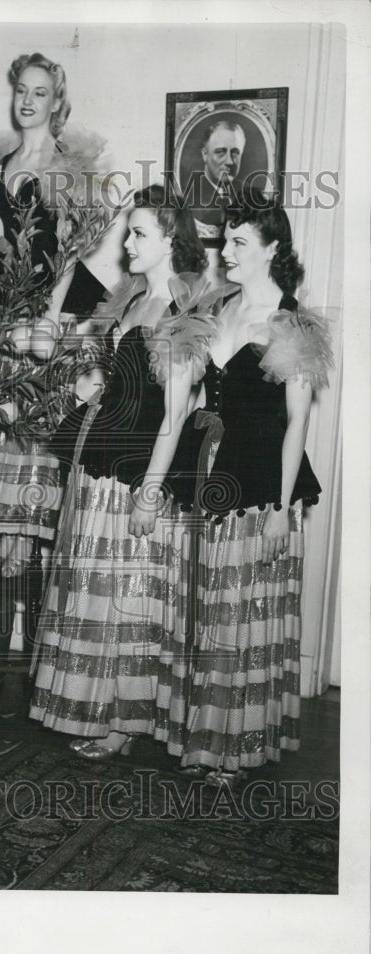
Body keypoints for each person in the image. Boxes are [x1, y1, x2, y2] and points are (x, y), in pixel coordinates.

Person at [29, 186, 211, 759]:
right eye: (129, 231)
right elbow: (114, 375)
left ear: (169, 243)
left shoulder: (184, 313)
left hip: (137, 471)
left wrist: (152, 490)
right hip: (98, 459)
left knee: (126, 597)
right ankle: (95, 709)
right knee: (94, 590)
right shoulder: (130, 300)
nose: (128, 242)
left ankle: (124, 722)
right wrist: (90, 384)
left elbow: (179, 411)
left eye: (139, 234)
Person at [176, 198, 332, 786]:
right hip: (209, 470)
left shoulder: (290, 323)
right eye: (225, 242)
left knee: (240, 614)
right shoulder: (218, 307)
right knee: (206, 605)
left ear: (272, 249)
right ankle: (201, 734)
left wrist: (281, 508)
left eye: (240, 242)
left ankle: (231, 748)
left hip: (262, 482)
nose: (227, 253)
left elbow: (298, 424)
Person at [0, 52, 104, 576]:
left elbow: (70, 248)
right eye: (21, 90)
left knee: (40, 419)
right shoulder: (1, 165)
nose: (27, 100)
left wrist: (49, 314)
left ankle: (23, 542)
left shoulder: (66, 164)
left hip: (54, 301)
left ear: (56, 101)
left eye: (39, 92)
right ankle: (3, 534)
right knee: (8, 416)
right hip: (8, 298)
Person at [184, 119, 246, 239]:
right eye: (220, 152)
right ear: (204, 155)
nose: (229, 161)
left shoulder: (249, 194)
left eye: (235, 153)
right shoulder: (187, 195)